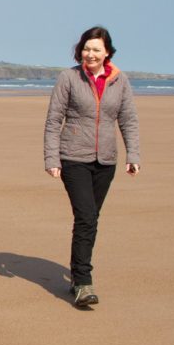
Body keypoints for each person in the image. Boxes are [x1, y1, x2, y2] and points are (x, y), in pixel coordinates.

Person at [44, 26, 140, 307]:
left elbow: (128, 120)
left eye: (96, 49)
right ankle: (84, 283)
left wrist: (133, 155)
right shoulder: (68, 78)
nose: (90, 54)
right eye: (86, 48)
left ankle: (76, 273)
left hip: (106, 160)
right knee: (86, 217)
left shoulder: (119, 81)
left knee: (90, 219)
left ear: (107, 52)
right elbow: (53, 121)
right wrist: (52, 158)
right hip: (73, 158)